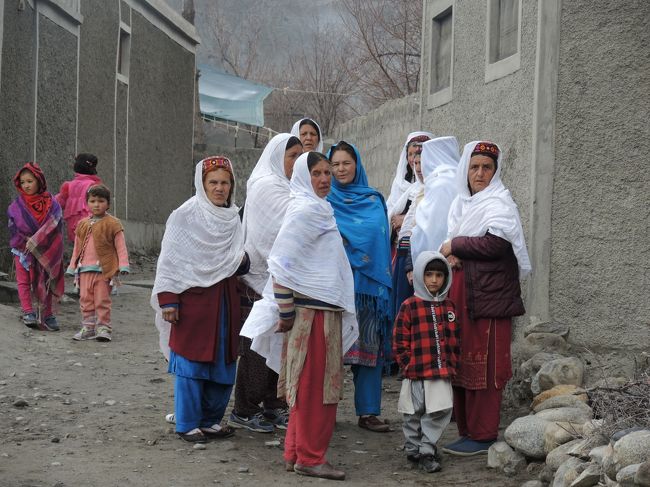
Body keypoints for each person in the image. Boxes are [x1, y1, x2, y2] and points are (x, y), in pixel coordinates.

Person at [241, 152, 358, 481]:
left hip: (319, 311)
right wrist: (286, 310)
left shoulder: (318, 208)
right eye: (317, 173)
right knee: (316, 387)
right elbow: (281, 262)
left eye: (327, 172)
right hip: (312, 314)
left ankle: (295, 453)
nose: (324, 179)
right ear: (304, 177)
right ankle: (310, 457)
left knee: (307, 385)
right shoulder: (306, 211)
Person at [440, 141, 531, 456]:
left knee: (487, 365)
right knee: (463, 361)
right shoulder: (462, 204)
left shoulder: (499, 203)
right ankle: (467, 431)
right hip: (464, 294)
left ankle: (483, 434)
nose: (480, 174)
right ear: (465, 171)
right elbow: (452, 243)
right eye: (474, 167)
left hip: (489, 299)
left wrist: (456, 246)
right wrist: (451, 252)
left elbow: (495, 244)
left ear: (496, 171)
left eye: (487, 168)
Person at [151, 156, 249, 443]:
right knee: (191, 363)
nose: (219, 188)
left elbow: (245, 254)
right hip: (193, 303)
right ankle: (187, 422)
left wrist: (242, 262)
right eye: (213, 182)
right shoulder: (185, 215)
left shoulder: (235, 218)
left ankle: (211, 420)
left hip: (225, 302)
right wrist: (169, 300)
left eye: (225, 183)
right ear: (202, 184)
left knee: (224, 362)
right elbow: (170, 259)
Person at [228, 133, 302, 433]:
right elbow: (275, 233)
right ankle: (244, 409)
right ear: (276, 158)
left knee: (280, 344)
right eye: (291, 155)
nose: (297, 162)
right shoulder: (266, 186)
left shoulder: (291, 188)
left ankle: (273, 404)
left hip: (282, 280)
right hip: (259, 281)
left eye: (300, 156)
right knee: (256, 347)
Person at [327, 140, 392, 432]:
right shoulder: (324, 200)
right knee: (329, 351)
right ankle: (324, 413)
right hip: (334, 287)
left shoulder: (373, 200)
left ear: (357, 165)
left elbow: (379, 240)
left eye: (346, 163)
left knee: (369, 348)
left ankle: (368, 412)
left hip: (368, 289)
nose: (341, 169)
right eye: (335, 164)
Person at [393, 251, 460, 473]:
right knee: (413, 412)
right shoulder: (409, 305)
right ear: (420, 276)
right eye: (429, 274)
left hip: (440, 374)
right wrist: (407, 364)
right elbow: (399, 340)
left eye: (439, 275)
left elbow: (455, 339)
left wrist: (452, 364)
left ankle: (427, 450)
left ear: (446, 277)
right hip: (415, 373)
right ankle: (413, 448)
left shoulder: (449, 307)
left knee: (438, 411)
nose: (434, 280)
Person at [67, 184, 130, 342]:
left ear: (108, 203)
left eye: (101, 201)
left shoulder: (113, 223)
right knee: (85, 300)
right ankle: (88, 328)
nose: (96, 204)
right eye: (92, 201)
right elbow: (77, 248)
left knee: (102, 300)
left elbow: (120, 246)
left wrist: (123, 265)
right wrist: (72, 266)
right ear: (87, 203)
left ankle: (103, 328)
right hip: (84, 270)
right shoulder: (82, 224)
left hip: (104, 271)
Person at [7, 162, 64, 331]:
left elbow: (56, 225)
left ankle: (47, 314)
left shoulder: (52, 204)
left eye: (30, 181)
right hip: (22, 249)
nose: (26, 185)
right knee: (23, 281)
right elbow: (13, 227)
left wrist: (38, 240)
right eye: (22, 182)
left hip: (46, 250)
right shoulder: (16, 206)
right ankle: (28, 311)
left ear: (39, 181)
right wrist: (26, 240)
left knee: (47, 280)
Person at [409, 136, 460, 269]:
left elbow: (433, 229)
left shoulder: (440, 185)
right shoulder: (457, 178)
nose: (419, 168)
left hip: (438, 261)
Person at [56, 153, 102, 243]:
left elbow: (59, 202)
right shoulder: (93, 185)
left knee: (77, 247)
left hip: (73, 227)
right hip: (90, 225)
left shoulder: (68, 186)